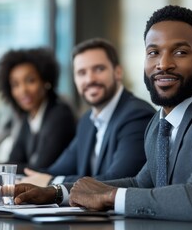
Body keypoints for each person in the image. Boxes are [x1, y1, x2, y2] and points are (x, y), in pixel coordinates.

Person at [13, 6, 192, 227]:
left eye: (179, 52)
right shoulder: (161, 122)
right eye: (153, 52)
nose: (163, 64)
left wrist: (109, 196)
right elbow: (142, 182)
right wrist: (59, 193)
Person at [18, 38, 155, 186]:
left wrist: (53, 181)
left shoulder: (137, 115)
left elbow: (118, 179)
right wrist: (9, 174)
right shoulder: (87, 121)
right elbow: (57, 170)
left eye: (99, 69)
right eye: (81, 73)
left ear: (117, 72)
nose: (90, 79)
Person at [0, 48, 76, 175]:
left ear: (45, 81)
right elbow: (14, 161)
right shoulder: (28, 117)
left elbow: (41, 169)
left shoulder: (60, 115)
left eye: (30, 81)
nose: (23, 90)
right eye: (15, 84)